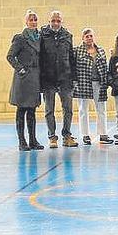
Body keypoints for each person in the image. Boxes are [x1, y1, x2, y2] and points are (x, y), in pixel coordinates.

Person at [7, 11, 43, 151]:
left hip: (34, 77)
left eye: (35, 19)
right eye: (31, 19)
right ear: (26, 22)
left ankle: (33, 140)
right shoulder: (20, 38)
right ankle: (22, 141)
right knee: (21, 110)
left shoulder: (39, 38)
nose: (33, 22)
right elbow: (10, 56)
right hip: (23, 79)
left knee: (32, 110)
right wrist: (20, 69)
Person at [40, 10, 77, 148]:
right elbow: (39, 57)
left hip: (65, 77)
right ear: (49, 21)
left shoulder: (67, 35)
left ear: (61, 21)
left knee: (68, 109)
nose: (56, 23)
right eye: (53, 20)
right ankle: (52, 137)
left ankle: (66, 135)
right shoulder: (42, 35)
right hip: (48, 78)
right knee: (49, 109)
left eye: (58, 21)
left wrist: (74, 77)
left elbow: (71, 57)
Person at [72, 28, 111, 145]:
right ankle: (85, 135)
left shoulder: (101, 51)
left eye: (91, 36)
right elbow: (73, 67)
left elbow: (105, 67)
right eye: (86, 36)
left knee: (101, 109)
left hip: (99, 83)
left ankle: (103, 134)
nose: (89, 38)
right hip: (83, 83)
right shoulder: (77, 51)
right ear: (83, 38)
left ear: (94, 37)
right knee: (83, 110)